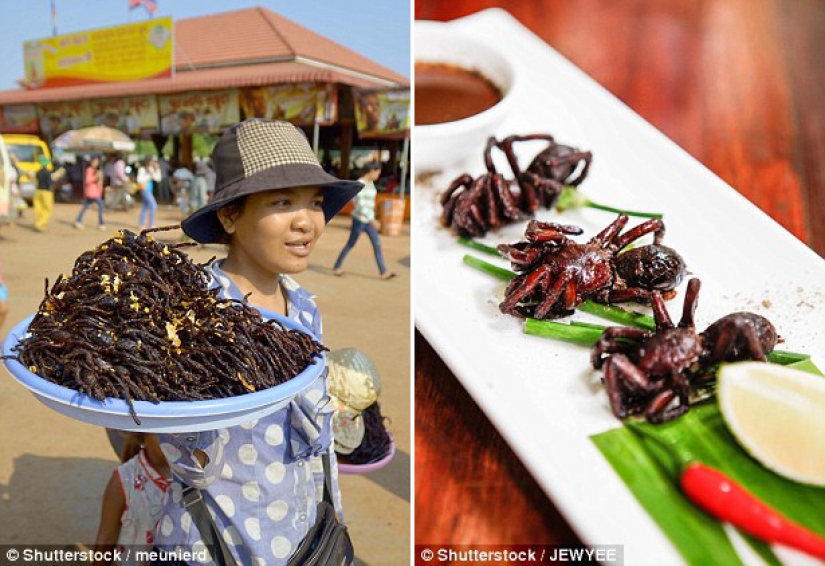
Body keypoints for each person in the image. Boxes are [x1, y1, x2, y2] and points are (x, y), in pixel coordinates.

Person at [152, 119, 362, 565]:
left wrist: (333, 513)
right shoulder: (195, 310)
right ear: (230, 215)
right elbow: (183, 454)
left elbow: (316, 448)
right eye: (283, 201)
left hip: (300, 533)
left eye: (316, 203)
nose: (307, 222)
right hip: (219, 540)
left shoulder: (304, 307)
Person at [95, 434, 170, 565]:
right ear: (143, 435)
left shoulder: (197, 478)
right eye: (163, 431)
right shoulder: (124, 480)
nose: (173, 438)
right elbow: (106, 539)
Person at [333, 162, 396, 280]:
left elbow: (370, 204)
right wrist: (372, 220)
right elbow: (360, 205)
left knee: (377, 244)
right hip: (359, 220)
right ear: (371, 171)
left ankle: (383, 272)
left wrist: (372, 218)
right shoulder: (360, 184)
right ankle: (337, 266)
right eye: (377, 172)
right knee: (351, 243)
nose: (378, 175)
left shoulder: (371, 184)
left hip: (369, 220)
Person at [75, 155, 106, 230]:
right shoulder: (89, 170)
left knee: (85, 207)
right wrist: (96, 177)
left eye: (97, 162)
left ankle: (78, 220)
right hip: (91, 192)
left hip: (95, 192)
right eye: (94, 161)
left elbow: (99, 183)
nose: (96, 163)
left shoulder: (97, 170)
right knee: (101, 206)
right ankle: (101, 223)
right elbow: (88, 180)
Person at [136, 157, 160, 230]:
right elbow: (139, 180)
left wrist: (157, 169)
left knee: (145, 207)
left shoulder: (152, 169)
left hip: (149, 189)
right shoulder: (142, 169)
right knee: (154, 206)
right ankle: (151, 224)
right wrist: (148, 175)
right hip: (144, 189)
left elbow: (158, 179)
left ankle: (141, 224)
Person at [33, 156, 55, 232]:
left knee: (39, 208)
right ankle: (40, 224)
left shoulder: (38, 172)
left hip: (38, 191)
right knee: (47, 208)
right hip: (46, 192)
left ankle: (38, 222)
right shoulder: (47, 172)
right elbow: (50, 183)